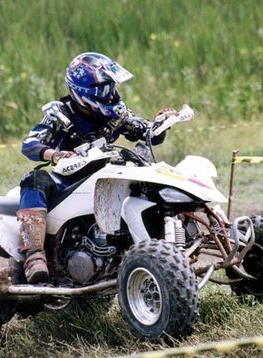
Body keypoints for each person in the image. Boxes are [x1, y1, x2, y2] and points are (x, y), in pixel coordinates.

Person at [18, 52, 176, 284]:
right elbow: (29, 144)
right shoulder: (60, 114)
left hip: (105, 174)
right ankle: (34, 255)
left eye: (112, 88)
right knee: (34, 179)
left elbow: (146, 133)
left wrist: (161, 124)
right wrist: (55, 154)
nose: (111, 94)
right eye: (104, 90)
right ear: (83, 93)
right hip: (68, 178)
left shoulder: (115, 115)